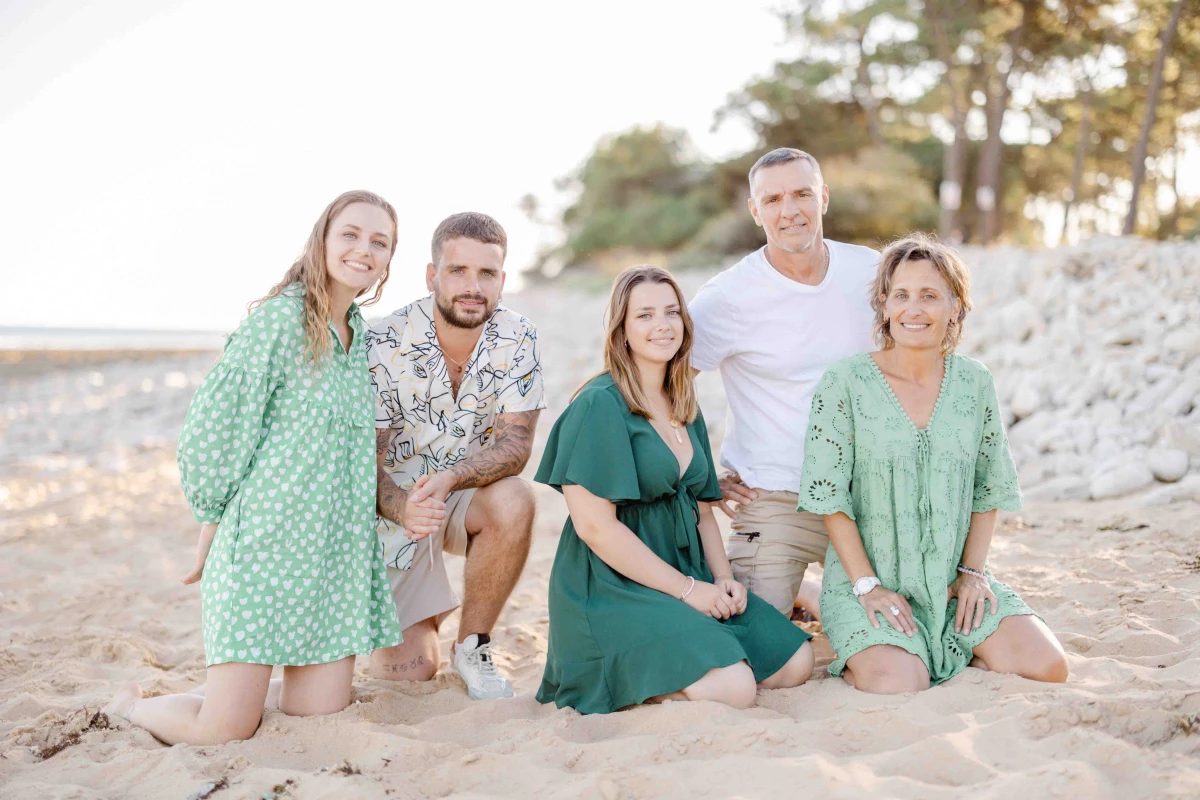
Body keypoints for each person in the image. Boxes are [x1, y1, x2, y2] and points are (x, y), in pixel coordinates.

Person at [103, 190, 405, 744]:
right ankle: (131, 709)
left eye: (379, 242)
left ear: (388, 260)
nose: (364, 249)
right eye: (351, 234)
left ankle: (240, 687)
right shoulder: (280, 322)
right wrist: (211, 516)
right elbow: (214, 427)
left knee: (317, 715)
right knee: (223, 731)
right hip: (265, 552)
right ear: (322, 240)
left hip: (332, 559)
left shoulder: (358, 335)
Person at [797, 233, 1069, 693]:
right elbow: (830, 498)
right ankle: (818, 596)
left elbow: (989, 488)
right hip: (870, 582)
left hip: (950, 582)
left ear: (956, 308)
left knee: (1048, 667)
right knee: (901, 685)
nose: (914, 309)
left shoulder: (974, 382)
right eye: (900, 295)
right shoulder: (845, 383)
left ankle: (950, 640)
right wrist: (867, 586)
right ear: (883, 306)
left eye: (930, 295)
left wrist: (972, 575)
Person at [535, 265, 813, 714]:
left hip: (688, 572)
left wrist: (722, 581)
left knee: (793, 663)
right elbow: (595, 529)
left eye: (671, 312)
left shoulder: (683, 400)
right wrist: (688, 591)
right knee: (736, 688)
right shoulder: (598, 405)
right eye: (644, 315)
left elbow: (702, 510)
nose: (662, 325)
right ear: (622, 330)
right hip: (614, 585)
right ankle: (627, 679)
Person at [688, 147, 880, 620]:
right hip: (774, 498)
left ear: (824, 198)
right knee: (762, 660)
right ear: (756, 211)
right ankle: (803, 591)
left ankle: (818, 592)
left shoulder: (873, 272)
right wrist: (701, 472)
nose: (789, 210)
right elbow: (664, 383)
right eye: (772, 200)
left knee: (885, 640)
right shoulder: (726, 298)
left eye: (802, 194)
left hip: (869, 494)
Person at [368, 212, 543, 700]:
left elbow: (515, 447)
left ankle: (474, 645)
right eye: (458, 271)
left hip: (460, 499)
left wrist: (450, 479)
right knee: (411, 671)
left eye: (486, 273)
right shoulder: (383, 343)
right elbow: (365, 462)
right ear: (432, 276)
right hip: (392, 517)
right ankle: (422, 613)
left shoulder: (517, 336)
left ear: (502, 280)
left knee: (514, 498)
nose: (473, 286)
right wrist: (405, 508)